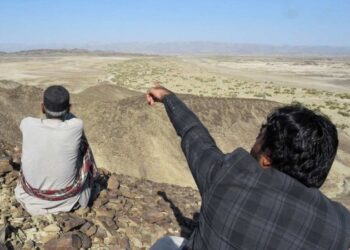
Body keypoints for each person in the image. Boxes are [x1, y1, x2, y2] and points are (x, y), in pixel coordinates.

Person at [147, 85, 350, 249]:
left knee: (166, 244)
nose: (256, 139)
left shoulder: (230, 175)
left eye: (261, 134)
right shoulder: (340, 226)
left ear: (267, 158)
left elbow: (194, 135)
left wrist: (166, 96)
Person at [15, 85, 97, 216]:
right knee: (81, 147)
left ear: (42, 107)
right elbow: (72, 118)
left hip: (31, 199)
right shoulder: (76, 126)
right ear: (69, 108)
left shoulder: (27, 123)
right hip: (69, 201)